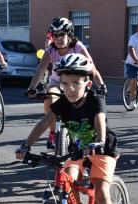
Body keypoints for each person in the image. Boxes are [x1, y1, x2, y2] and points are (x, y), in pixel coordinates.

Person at [15, 54, 119, 204]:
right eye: (64, 83)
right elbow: (45, 122)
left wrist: (99, 141)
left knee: (100, 191)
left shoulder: (95, 100)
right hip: (78, 150)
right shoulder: (63, 103)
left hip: (102, 149)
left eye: (75, 83)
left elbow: (100, 120)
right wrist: (26, 146)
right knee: (65, 181)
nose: (69, 88)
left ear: (87, 84)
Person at [27, 17, 106, 148]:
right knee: (50, 97)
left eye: (62, 34)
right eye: (55, 35)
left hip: (75, 82)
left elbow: (91, 67)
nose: (58, 38)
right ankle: (53, 133)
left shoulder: (77, 47)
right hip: (57, 82)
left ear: (69, 34)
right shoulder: (50, 50)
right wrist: (32, 87)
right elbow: (40, 70)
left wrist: (101, 85)